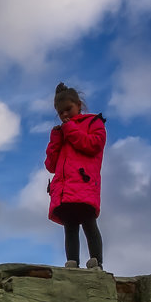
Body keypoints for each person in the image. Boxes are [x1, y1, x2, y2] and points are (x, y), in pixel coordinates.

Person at [45, 82, 106, 269]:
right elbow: (51, 165)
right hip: (65, 189)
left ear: (79, 105)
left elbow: (93, 145)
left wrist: (70, 129)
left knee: (89, 222)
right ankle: (72, 261)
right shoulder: (61, 133)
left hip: (84, 184)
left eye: (68, 109)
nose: (64, 115)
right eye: (60, 112)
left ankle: (97, 260)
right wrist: (55, 140)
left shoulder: (94, 123)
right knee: (69, 226)